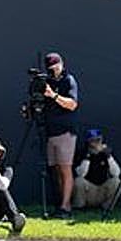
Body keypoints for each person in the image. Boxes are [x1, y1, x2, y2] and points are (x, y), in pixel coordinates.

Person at [41, 52, 80, 219]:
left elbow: (72, 105)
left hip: (65, 132)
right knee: (55, 169)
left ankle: (66, 207)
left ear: (62, 64)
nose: (54, 70)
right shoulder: (46, 82)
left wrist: (54, 95)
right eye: (51, 67)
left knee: (65, 168)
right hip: (50, 132)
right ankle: (60, 203)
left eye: (57, 66)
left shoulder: (69, 80)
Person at [72, 129, 121, 211]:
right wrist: (87, 157)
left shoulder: (107, 153)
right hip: (89, 191)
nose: (95, 144)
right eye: (92, 141)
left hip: (102, 190)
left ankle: (107, 207)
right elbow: (81, 174)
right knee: (79, 181)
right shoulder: (82, 153)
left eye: (98, 140)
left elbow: (116, 173)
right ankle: (79, 206)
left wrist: (108, 156)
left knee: (117, 181)